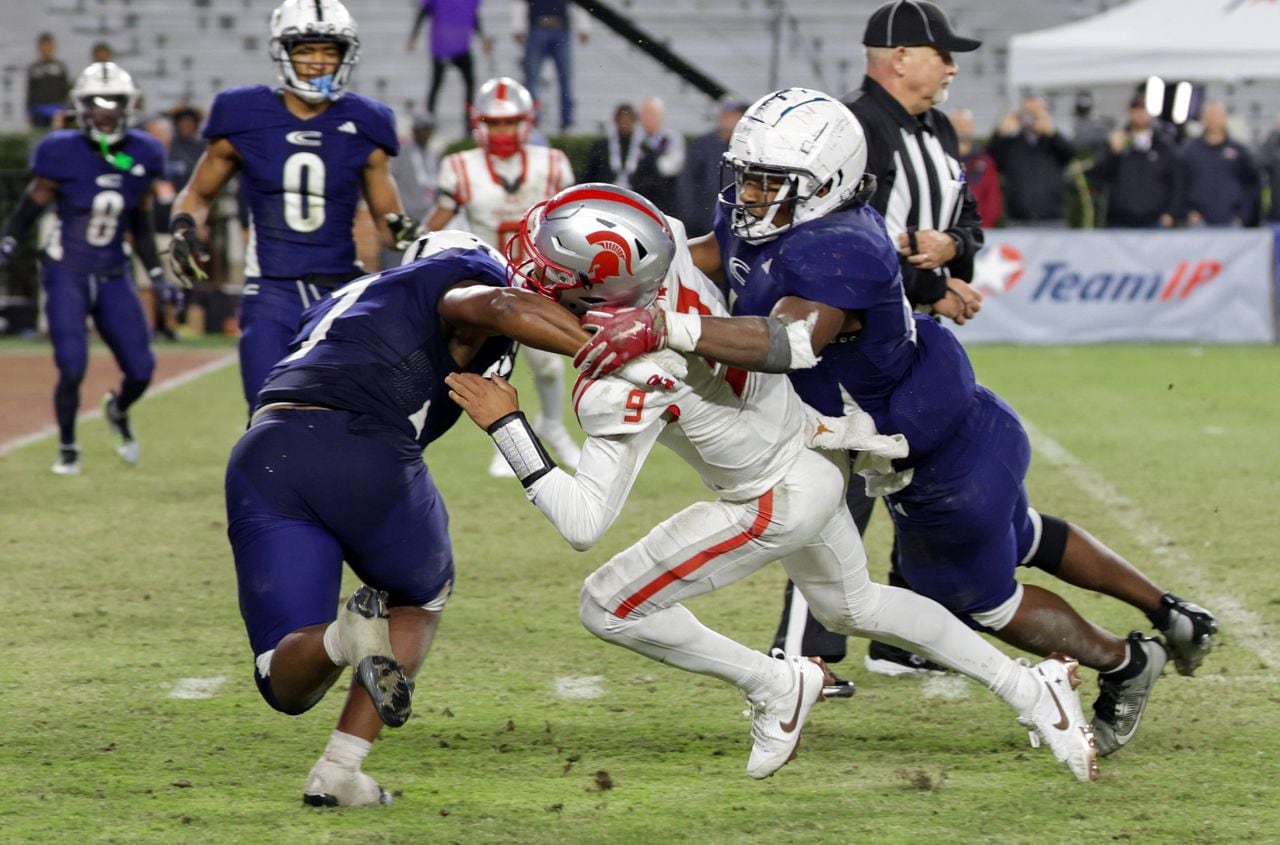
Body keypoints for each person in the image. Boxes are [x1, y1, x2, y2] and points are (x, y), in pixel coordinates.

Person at [574, 88, 1219, 759]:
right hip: (951, 428)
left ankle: (1123, 663)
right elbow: (712, 253)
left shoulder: (839, 244)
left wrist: (665, 325)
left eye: (770, 182)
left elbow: (792, 340)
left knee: (983, 598)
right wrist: (627, 261)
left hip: (938, 462)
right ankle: (1169, 611)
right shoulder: (783, 214)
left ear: (825, 183)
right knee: (1022, 534)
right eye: (748, 177)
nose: (751, 195)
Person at [448, 182, 1099, 782]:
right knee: (855, 606)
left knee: (606, 605)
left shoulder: (622, 380)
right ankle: (1030, 688)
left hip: (771, 497)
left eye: (552, 271)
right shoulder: (671, 252)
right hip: (808, 454)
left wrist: (506, 423)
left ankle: (774, 684)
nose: (532, 275)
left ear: (606, 284)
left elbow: (582, 523)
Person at [225, 228, 596, 806]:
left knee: (284, 681)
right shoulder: (463, 281)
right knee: (420, 595)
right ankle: (340, 767)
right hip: (361, 446)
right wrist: (614, 348)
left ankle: (342, 640)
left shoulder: (351, 299)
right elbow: (496, 304)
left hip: (264, 454)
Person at [775, 0, 990, 683]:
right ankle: (802, 649)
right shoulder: (852, 128)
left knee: (930, 479)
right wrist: (935, 289)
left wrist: (953, 250)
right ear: (899, 56)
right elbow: (838, 248)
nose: (952, 66)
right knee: (842, 487)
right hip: (855, 341)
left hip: (916, 343)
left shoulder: (941, 131)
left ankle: (902, 635)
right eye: (941, 52)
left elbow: (972, 222)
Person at [169, 0, 418, 408]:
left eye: (328, 50)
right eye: (306, 49)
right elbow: (197, 193)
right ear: (283, 52)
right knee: (268, 413)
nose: (318, 62)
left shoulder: (365, 121)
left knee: (342, 415)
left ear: (344, 56)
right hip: (271, 287)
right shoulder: (245, 114)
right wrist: (183, 224)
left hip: (339, 290)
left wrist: (408, 230)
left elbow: (388, 224)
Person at [0, 62, 167, 475]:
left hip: (113, 271)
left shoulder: (141, 153)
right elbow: (29, 207)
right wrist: (7, 243)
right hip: (67, 270)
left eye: (115, 105)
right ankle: (69, 446)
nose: (106, 113)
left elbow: (141, 224)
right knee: (72, 363)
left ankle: (119, 409)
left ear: (130, 108)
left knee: (142, 370)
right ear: (80, 107)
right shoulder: (61, 151)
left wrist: (159, 274)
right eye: (97, 104)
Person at [424, 76, 580, 476]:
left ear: (526, 121)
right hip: (487, 280)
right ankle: (507, 439)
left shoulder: (552, 164)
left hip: (540, 279)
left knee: (547, 365)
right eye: (495, 124)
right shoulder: (460, 167)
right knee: (493, 368)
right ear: (480, 124)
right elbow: (438, 223)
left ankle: (553, 427)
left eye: (509, 122)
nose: (503, 132)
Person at [1093, 95, 1180, 228]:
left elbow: (1177, 181)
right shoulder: (1116, 141)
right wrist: (1114, 153)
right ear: (1129, 113)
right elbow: (1099, 177)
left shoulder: (1163, 146)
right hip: (1120, 221)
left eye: (1143, 110)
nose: (1139, 114)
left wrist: (1171, 213)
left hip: (1155, 220)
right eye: (1136, 110)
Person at [989, 95, 1077, 226]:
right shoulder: (1011, 144)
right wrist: (1000, 133)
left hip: (1052, 220)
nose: (1031, 118)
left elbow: (1071, 154)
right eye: (1027, 112)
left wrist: (1052, 133)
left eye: (1036, 112)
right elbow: (990, 160)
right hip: (1017, 220)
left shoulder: (1053, 142)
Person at [407, 0, 488, 127]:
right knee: (437, 84)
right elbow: (423, 12)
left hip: (461, 46)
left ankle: (468, 121)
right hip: (442, 46)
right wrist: (413, 37)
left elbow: (473, 16)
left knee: (469, 83)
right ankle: (429, 120)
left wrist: (483, 38)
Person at [1179, 101, 1259, 227]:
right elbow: (1180, 184)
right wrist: (1187, 212)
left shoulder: (1239, 151)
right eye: (1210, 116)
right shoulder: (1189, 150)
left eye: (1217, 115)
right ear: (1203, 119)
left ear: (1225, 118)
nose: (1214, 120)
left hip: (1232, 221)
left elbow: (1251, 185)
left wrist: (1243, 215)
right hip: (1198, 223)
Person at [514, 0, 589, 133]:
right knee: (532, 78)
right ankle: (533, 121)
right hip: (538, 27)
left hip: (560, 28)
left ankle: (567, 122)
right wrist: (518, 27)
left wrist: (583, 27)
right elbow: (519, 3)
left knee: (565, 78)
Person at [679, 98, 746, 237]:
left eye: (734, 115)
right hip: (705, 219)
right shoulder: (701, 144)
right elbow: (687, 181)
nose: (729, 119)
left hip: (736, 219)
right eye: (727, 114)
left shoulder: (746, 148)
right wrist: (689, 216)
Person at [629, 97, 685, 216]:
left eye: (653, 115)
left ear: (661, 117)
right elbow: (630, 167)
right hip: (638, 195)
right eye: (645, 115)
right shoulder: (633, 138)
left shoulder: (671, 138)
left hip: (664, 198)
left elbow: (670, 168)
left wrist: (649, 159)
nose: (649, 119)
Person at [951, 107, 1003, 228]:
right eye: (957, 124)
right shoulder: (942, 158)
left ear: (972, 127)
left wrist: (980, 227)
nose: (961, 128)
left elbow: (993, 200)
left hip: (979, 229)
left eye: (965, 124)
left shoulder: (984, 161)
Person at [582, 103, 639, 186]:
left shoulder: (642, 148)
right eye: (622, 119)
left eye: (628, 119)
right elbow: (589, 175)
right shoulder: (601, 147)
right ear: (616, 121)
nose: (625, 123)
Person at [25, 33, 71, 130]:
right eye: (43, 46)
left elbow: (65, 89)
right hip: (38, 110)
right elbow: (30, 91)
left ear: (53, 47)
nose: (46, 49)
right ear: (39, 48)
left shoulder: (60, 67)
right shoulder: (34, 68)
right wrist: (28, 112)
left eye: (48, 45)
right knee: (39, 138)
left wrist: (64, 109)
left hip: (57, 110)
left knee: (56, 137)